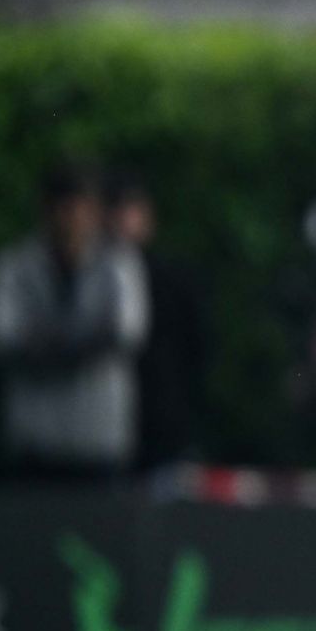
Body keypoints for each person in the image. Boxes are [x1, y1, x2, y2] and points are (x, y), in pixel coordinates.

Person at [0, 162, 148, 482]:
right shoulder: (16, 266)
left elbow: (127, 331)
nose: (71, 220)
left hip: (98, 438)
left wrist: (50, 342)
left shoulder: (117, 265)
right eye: (62, 208)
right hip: (35, 440)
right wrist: (78, 340)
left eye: (79, 208)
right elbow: (5, 334)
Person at [106, 172, 208, 470]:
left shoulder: (173, 279)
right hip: (105, 429)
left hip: (163, 423)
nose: (124, 220)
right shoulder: (94, 280)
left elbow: (196, 348)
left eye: (132, 210)